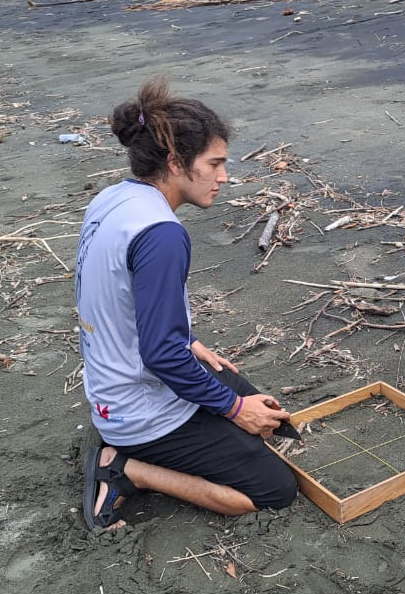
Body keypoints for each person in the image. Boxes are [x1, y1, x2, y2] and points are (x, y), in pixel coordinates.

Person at [76, 78, 297, 530]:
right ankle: (125, 468)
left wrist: (189, 341)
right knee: (275, 489)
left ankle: (148, 439)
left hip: (110, 385)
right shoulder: (162, 234)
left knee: (262, 408)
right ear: (176, 163)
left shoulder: (114, 198)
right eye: (215, 163)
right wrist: (234, 409)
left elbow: (115, 296)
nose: (224, 177)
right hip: (136, 409)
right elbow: (160, 356)